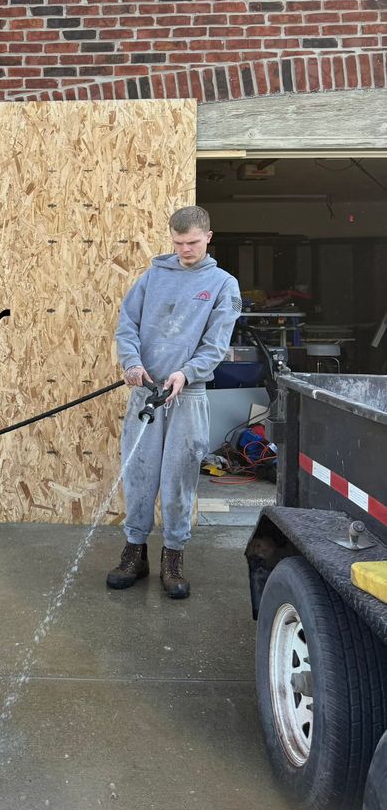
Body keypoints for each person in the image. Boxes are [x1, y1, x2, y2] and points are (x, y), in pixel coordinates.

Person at [106, 205, 242, 599]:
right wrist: (131, 363)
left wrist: (189, 372)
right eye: (179, 243)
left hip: (189, 393)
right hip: (146, 392)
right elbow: (127, 324)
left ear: (208, 238)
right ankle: (135, 552)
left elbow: (217, 343)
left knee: (178, 477)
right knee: (140, 472)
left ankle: (173, 556)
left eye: (193, 242)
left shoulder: (222, 284)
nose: (185, 249)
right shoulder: (152, 278)